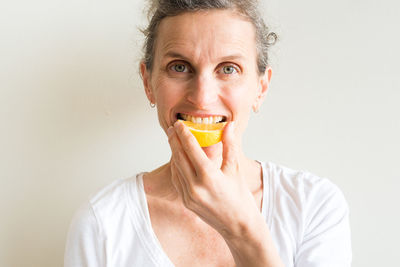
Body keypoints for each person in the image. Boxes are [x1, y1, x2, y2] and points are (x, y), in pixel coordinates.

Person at [64, 0, 352, 266]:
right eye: (179, 67)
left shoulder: (314, 207)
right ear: (148, 82)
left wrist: (242, 231)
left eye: (228, 68)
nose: (202, 98)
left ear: (261, 88)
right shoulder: (102, 223)